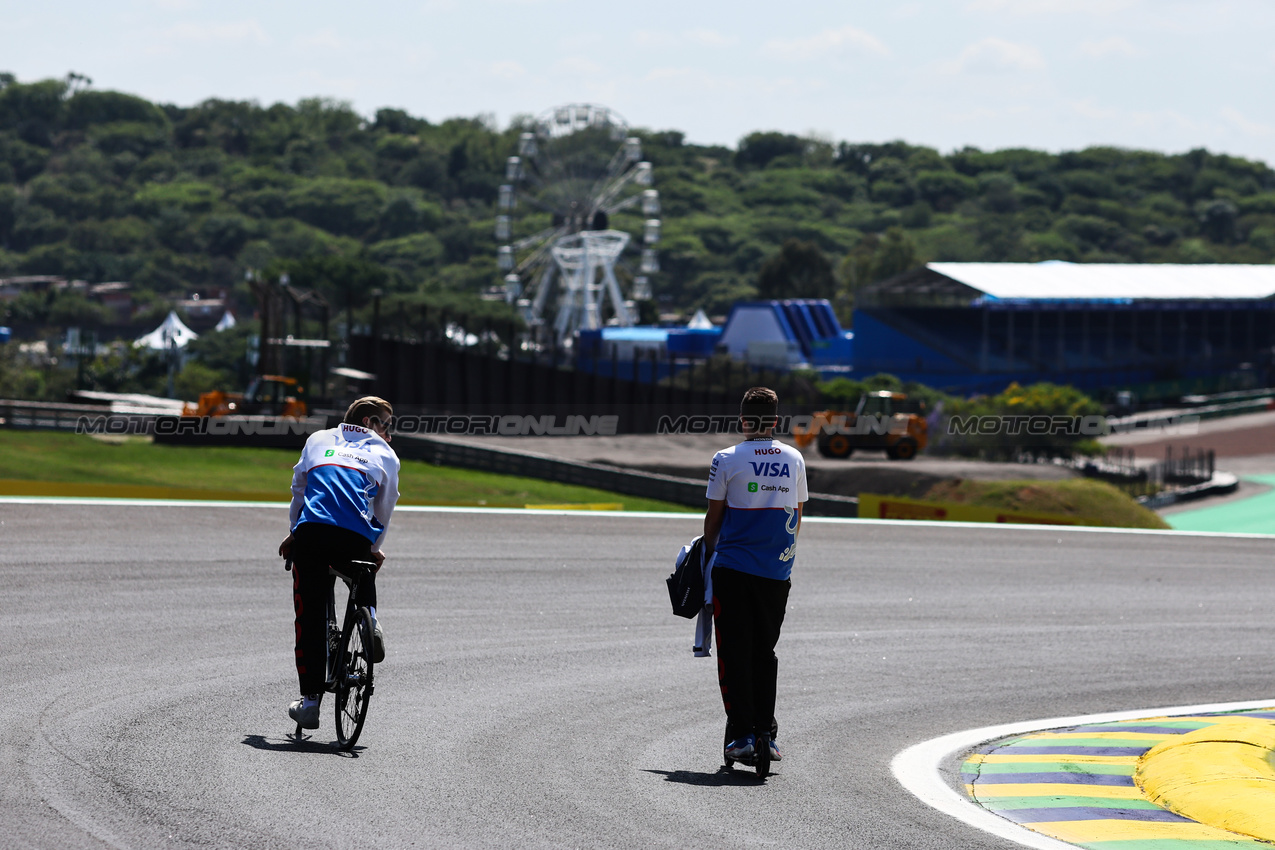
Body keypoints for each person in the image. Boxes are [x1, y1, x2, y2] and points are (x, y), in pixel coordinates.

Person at [278, 396, 401, 729]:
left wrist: (294, 533)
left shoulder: (317, 440)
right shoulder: (385, 454)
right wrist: (374, 547)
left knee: (309, 617)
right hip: (354, 541)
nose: (389, 435)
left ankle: (310, 703)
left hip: (312, 535)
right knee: (364, 570)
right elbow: (385, 508)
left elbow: (298, 492)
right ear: (367, 422)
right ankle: (370, 619)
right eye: (386, 426)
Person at [703, 386, 807, 764]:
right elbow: (797, 516)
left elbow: (714, 518)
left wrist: (705, 560)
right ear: (776, 421)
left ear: (743, 420)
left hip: (733, 569)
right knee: (765, 652)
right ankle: (768, 734)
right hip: (777, 572)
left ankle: (743, 735)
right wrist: (784, 562)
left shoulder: (725, 458)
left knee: (733, 652)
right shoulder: (794, 458)